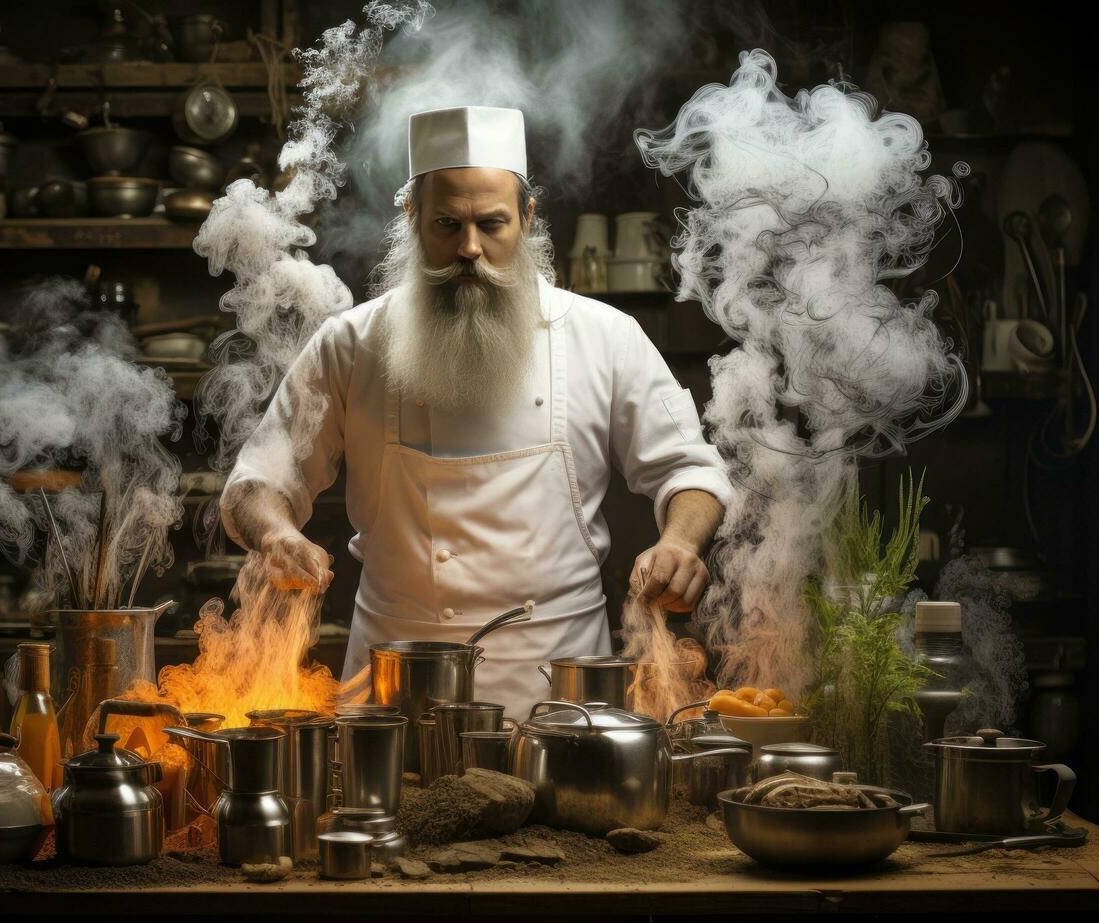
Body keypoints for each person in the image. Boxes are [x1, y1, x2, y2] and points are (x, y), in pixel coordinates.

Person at [221, 105, 733, 717]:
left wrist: (679, 542)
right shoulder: (351, 345)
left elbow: (689, 471)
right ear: (411, 218)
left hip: (558, 696)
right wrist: (276, 534)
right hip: (392, 695)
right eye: (446, 225)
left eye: (492, 224)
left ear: (527, 218)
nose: (469, 249)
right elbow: (256, 483)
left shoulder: (605, 337)